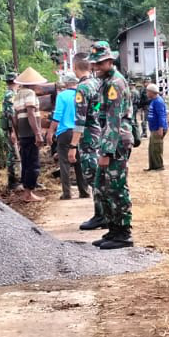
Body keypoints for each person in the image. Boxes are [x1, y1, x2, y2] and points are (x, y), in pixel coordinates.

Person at [89, 42, 136, 249]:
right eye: (94, 64)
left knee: (116, 187)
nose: (96, 67)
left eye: (99, 63)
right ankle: (113, 229)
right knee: (101, 187)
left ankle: (123, 233)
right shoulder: (106, 81)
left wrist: (106, 151)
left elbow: (114, 120)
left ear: (110, 61)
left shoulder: (115, 83)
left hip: (116, 142)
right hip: (109, 139)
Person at [74, 57, 107, 231]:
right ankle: (104, 214)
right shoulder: (97, 83)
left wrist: (73, 146)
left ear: (74, 67)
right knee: (99, 176)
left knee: (92, 176)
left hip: (87, 136)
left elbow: (80, 119)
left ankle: (101, 215)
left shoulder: (82, 87)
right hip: (99, 133)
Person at [12, 68, 46, 202]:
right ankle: (28, 193)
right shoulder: (30, 94)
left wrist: (18, 135)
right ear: (33, 83)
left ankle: (27, 191)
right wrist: (38, 133)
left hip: (24, 135)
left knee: (26, 163)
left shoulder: (17, 95)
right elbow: (31, 114)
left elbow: (14, 118)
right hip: (31, 134)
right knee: (33, 164)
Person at [52, 72, 87, 200]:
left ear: (66, 83)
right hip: (80, 131)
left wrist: (51, 131)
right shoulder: (82, 94)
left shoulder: (62, 96)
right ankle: (84, 191)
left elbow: (57, 115)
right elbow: (95, 107)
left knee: (64, 163)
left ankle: (67, 193)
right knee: (79, 162)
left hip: (65, 132)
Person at [0, 71, 21, 193]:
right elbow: (11, 115)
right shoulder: (10, 95)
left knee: (14, 153)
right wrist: (14, 131)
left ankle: (15, 180)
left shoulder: (10, 93)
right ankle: (12, 182)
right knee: (12, 154)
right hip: (10, 128)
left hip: (10, 127)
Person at [146, 83, 169, 171]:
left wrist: (161, 128)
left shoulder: (158, 101)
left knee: (157, 148)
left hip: (157, 128)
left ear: (152, 92)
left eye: (148, 92)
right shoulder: (153, 101)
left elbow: (162, 115)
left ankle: (159, 166)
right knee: (152, 148)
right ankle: (152, 166)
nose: (147, 93)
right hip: (153, 128)